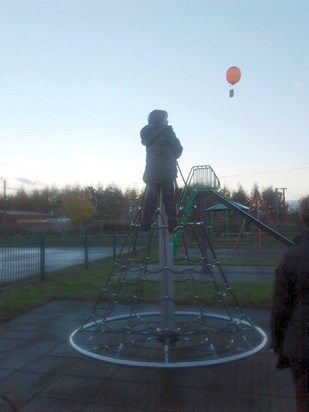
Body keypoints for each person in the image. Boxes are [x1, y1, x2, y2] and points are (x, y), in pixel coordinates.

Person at [271, 195, 309, 412]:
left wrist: (278, 344)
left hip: (303, 346)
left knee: (304, 399)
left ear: (303, 219)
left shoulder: (292, 257)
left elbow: (281, 306)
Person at [140, 109, 183, 233]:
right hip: (166, 169)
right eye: (166, 118)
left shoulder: (146, 132)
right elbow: (178, 149)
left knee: (150, 198)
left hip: (151, 170)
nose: (167, 121)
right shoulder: (167, 131)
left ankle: (145, 224)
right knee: (168, 197)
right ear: (161, 119)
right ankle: (172, 224)